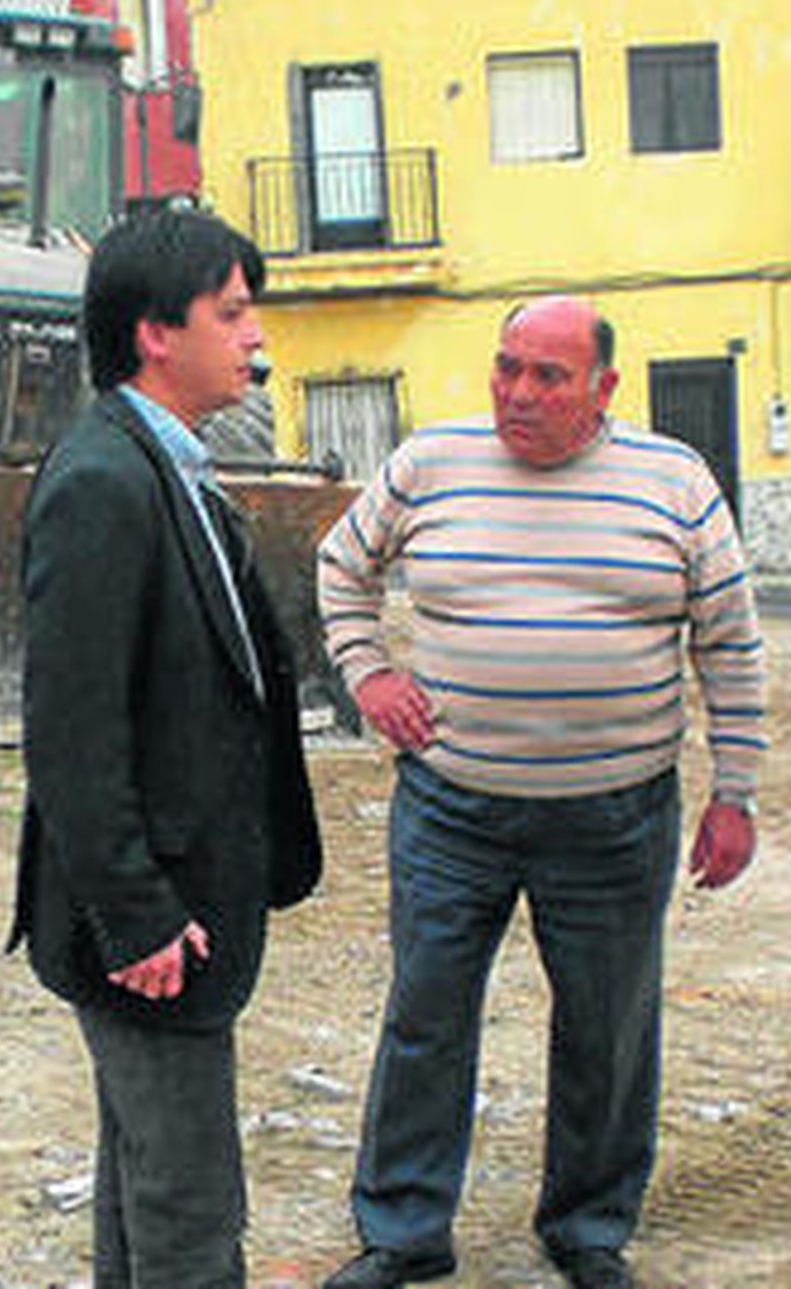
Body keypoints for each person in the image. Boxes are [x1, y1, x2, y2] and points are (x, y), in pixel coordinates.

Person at [316, 295, 767, 1289]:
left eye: (548, 375)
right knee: (425, 1012)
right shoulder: (429, 463)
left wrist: (734, 790)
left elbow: (728, 645)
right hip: (450, 808)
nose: (519, 392)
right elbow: (340, 566)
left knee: (608, 1025)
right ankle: (402, 1228)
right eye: (506, 366)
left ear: (603, 388)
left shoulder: (674, 482)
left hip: (615, 816)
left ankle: (587, 1225)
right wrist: (369, 675)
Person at [7, 207, 322, 1289]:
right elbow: (71, 730)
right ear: (154, 332)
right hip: (152, 926)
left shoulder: (168, 465)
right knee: (189, 1205)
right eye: (230, 314)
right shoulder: (104, 480)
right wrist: (133, 910)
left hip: (186, 909)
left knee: (148, 1186)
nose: (255, 337)